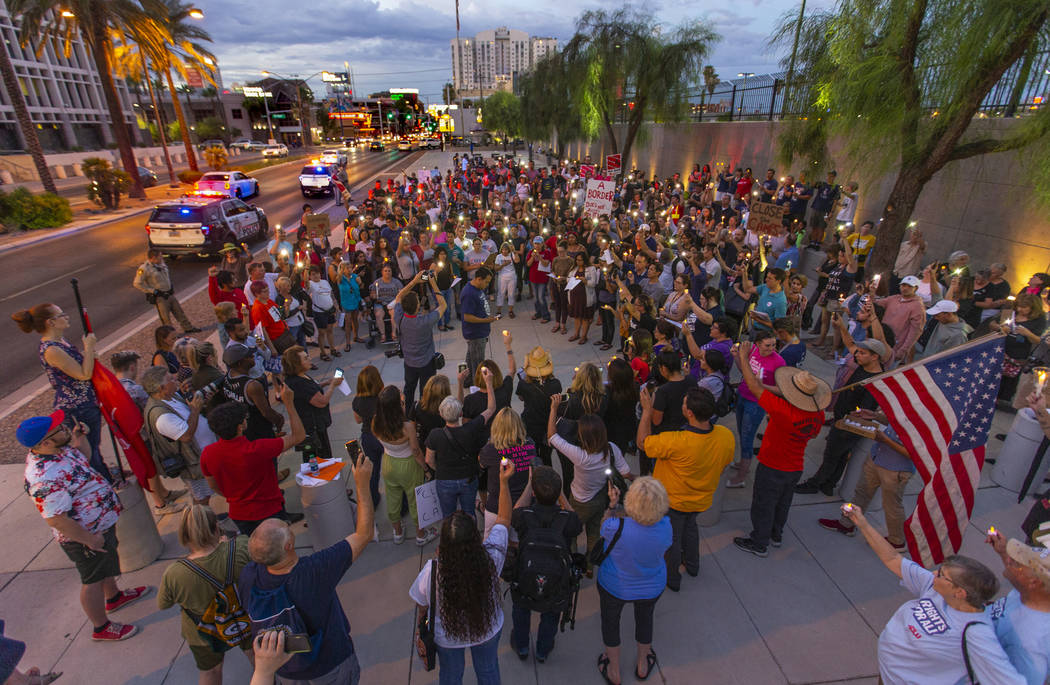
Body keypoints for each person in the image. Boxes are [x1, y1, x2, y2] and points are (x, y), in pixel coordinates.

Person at [840, 505, 1025, 685]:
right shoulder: (935, 587)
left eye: (942, 575)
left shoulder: (977, 633)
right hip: (888, 675)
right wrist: (862, 522)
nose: (934, 574)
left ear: (960, 593)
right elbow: (893, 559)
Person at [238, 452, 375, 685]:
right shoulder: (314, 571)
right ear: (289, 545)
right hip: (330, 665)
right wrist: (362, 484)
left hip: (286, 669)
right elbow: (363, 535)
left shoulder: (249, 576)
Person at [19, 410, 146, 642]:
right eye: (60, 429)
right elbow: (56, 518)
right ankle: (101, 627)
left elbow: (82, 461)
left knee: (105, 565)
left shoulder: (60, 449)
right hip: (86, 536)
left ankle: (114, 597)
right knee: (92, 580)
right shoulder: (43, 477)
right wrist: (89, 539)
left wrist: (79, 438)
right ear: (45, 442)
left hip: (100, 524)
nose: (65, 428)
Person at [409, 460, 514, 685]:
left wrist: (421, 627)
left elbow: (422, 603)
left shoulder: (433, 570)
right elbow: (504, 519)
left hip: (448, 637)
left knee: (450, 675)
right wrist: (503, 483)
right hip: (487, 628)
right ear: (475, 539)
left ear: (444, 542)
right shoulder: (492, 556)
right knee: (488, 671)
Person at [732, 343, 830, 557]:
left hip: (773, 465)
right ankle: (776, 534)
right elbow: (812, 434)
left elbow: (753, 387)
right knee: (782, 503)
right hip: (795, 466)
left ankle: (759, 542)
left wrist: (743, 357)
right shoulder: (817, 415)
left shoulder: (784, 411)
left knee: (763, 504)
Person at [637, 386, 735, 592]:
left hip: (674, 502)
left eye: (684, 402)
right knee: (691, 529)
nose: (682, 404)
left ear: (689, 412)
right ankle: (693, 565)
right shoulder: (725, 436)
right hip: (701, 500)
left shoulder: (675, 441)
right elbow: (724, 464)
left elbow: (643, 443)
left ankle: (672, 578)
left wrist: (646, 413)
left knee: (671, 541)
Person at [13, 303, 110, 481]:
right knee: (90, 448)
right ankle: (105, 482)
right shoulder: (52, 350)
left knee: (95, 444)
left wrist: (89, 356)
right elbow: (83, 374)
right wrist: (88, 347)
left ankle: (107, 476)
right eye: (61, 314)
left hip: (85, 401)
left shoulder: (60, 342)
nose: (66, 316)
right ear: (51, 322)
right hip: (77, 406)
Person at [158, 505, 253, 684]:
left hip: (203, 631)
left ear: (184, 535)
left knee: (211, 671)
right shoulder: (241, 547)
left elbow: (163, 604)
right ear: (216, 527)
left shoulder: (174, 573)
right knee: (256, 656)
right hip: (243, 618)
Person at [595, 477, 672, 685]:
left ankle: (613, 669)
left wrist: (612, 505)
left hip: (614, 585)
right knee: (645, 619)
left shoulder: (615, 527)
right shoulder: (666, 526)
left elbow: (603, 528)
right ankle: (642, 663)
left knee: (611, 622)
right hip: (651, 585)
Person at [202, 391, 307, 535]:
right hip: (269, 511)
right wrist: (289, 403)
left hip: (239, 513)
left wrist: (236, 496)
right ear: (240, 427)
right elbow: (299, 436)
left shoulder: (207, 454)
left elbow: (214, 486)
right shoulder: (257, 449)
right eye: (244, 419)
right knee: (279, 548)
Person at [795, 336, 886, 496]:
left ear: (875, 356)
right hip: (841, 418)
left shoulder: (874, 381)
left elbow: (864, 411)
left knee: (832, 454)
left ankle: (814, 484)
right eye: (858, 351)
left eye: (862, 353)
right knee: (841, 456)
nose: (857, 355)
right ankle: (829, 484)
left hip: (849, 424)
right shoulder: (863, 366)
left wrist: (844, 424)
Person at [508, 466, 581, 662]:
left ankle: (522, 646)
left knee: (521, 612)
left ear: (533, 493)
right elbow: (577, 522)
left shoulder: (525, 515)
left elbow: (515, 509)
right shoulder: (567, 519)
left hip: (524, 579)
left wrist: (529, 483)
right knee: (551, 616)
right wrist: (562, 496)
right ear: (558, 494)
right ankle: (543, 650)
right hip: (556, 584)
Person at [548, 395, 632, 563]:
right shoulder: (611, 449)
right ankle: (590, 564)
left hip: (579, 500)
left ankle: (572, 561)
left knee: (570, 532)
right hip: (600, 498)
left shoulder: (580, 456)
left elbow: (552, 436)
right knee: (593, 532)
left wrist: (553, 409)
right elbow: (625, 473)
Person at [817, 421, 914, 550]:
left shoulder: (923, 421)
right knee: (861, 493)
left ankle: (897, 541)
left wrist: (885, 439)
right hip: (876, 458)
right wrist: (875, 416)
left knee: (892, 505)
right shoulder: (906, 408)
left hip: (896, 469)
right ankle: (847, 524)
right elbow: (895, 418)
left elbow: (912, 453)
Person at [426, 368, 497, 521]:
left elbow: (429, 461)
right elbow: (491, 409)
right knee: (469, 513)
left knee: (448, 516)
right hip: (468, 479)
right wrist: (489, 384)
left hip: (444, 481)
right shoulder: (471, 429)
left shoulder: (435, 435)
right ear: (460, 414)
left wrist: (443, 470)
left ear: (440, 413)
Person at [141, 366, 215, 507]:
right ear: (161, 388)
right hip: (193, 465)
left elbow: (189, 413)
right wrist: (195, 409)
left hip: (204, 456)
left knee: (204, 495)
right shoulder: (160, 416)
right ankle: (203, 527)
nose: (175, 378)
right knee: (202, 499)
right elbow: (186, 436)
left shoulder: (171, 395)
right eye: (170, 379)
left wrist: (201, 403)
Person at [985, 530, 1050, 684]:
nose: (1011, 560)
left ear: (1034, 582)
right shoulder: (1030, 593)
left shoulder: (1030, 647)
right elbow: (1021, 577)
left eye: (1019, 562)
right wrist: (1003, 552)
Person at [373, 385, 434, 546]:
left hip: (388, 463)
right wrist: (426, 469)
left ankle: (398, 532)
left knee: (392, 499)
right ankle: (421, 535)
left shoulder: (375, 422)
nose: (404, 403)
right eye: (401, 401)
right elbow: (415, 451)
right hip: (409, 466)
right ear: (395, 407)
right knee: (415, 501)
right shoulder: (407, 427)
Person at [727, 331, 785, 488]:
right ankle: (742, 463)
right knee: (741, 431)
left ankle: (741, 477)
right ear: (757, 344)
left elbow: (781, 389)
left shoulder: (779, 362)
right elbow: (744, 372)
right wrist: (737, 358)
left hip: (756, 403)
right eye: (768, 345)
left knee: (747, 438)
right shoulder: (751, 351)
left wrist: (761, 385)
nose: (772, 348)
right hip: (742, 395)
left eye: (774, 345)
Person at [479, 407, 543, 540]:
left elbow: (481, 463)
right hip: (523, 504)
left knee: (491, 543)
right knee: (519, 543)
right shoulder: (530, 444)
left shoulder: (490, 449)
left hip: (496, 506)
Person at [394, 270, 446, 404]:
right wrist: (433, 282)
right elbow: (443, 305)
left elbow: (399, 296)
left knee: (409, 389)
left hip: (409, 363)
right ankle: (422, 414)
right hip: (427, 363)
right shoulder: (425, 321)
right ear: (418, 306)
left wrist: (415, 281)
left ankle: (408, 412)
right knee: (426, 392)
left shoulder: (399, 317)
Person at [281, 346, 339, 462]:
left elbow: (311, 391)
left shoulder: (299, 376)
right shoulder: (299, 383)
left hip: (311, 426)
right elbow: (322, 402)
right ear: (296, 364)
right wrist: (333, 386)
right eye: (306, 358)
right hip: (313, 428)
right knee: (320, 459)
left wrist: (326, 383)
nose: (310, 359)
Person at [133, 249, 201, 333]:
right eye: (160, 256)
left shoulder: (161, 264)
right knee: (166, 318)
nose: (162, 258)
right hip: (160, 297)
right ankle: (171, 334)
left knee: (179, 312)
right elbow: (137, 283)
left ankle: (188, 328)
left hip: (169, 293)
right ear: (154, 257)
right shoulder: (144, 268)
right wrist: (152, 291)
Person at [515, 347, 562, 467]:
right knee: (546, 455)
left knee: (531, 454)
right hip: (548, 425)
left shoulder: (523, 384)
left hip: (530, 424)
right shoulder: (555, 384)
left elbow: (521, 398)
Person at [352, 366, 384, 519]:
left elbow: (358, 420)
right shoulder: (382, 398)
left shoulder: (357, 400)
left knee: (373, 471)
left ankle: (374, 499)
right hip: (383, 436)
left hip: (367, 438)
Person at [460, 267, 496, 380]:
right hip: (475, 334)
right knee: (478, 364)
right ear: (479, 279)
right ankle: (477, 386)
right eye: (486, 282)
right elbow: (467, 317)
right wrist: (486, 320)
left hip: (480, 332)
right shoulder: (469, 293)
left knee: (471, 358)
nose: (487, 284)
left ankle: (467, 379)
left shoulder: (477, 287)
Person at [306, 265, 339, 361]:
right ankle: (323, 352)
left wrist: (335, 305)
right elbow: (306, 283)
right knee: (322, 332)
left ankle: (332, 349)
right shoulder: (310, 284)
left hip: (330, 310)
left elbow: (331, 294)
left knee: (330, 330)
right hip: (319, 312)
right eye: (313, 274)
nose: (316, 276)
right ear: (310, 276)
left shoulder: (324, 282)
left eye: (317, 273)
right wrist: (305, 269)